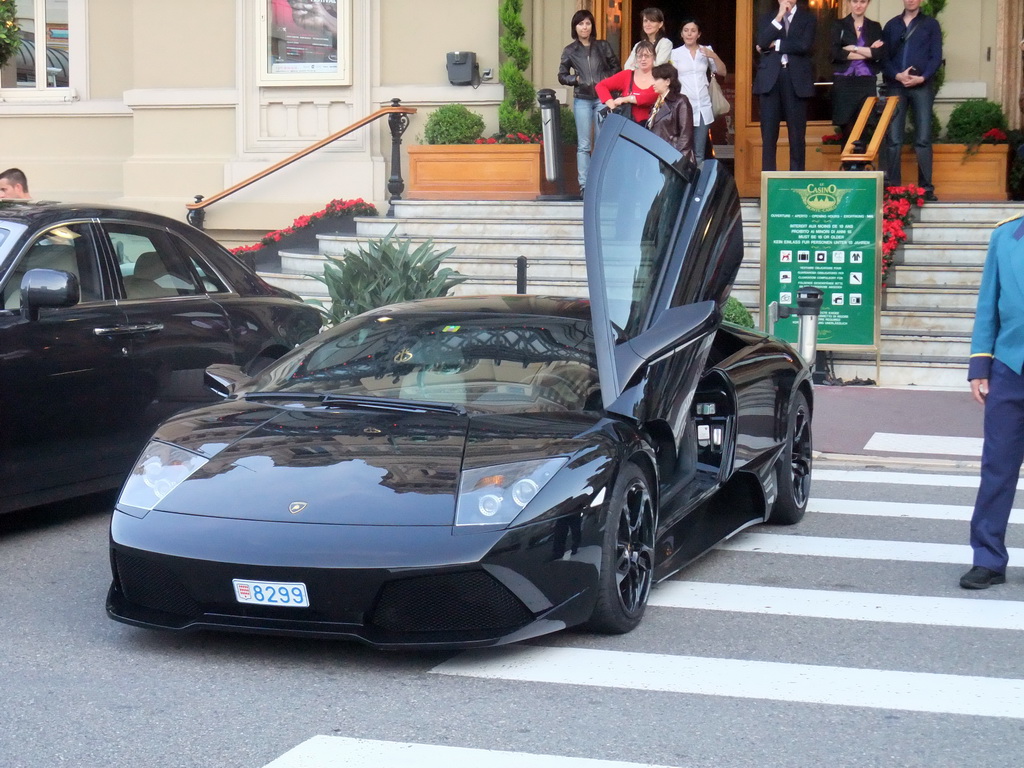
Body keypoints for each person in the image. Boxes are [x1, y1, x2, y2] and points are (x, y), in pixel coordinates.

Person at [961, 214, 1024, 589]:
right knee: (997, 468)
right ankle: (987, 559)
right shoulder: (1004, 236)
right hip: (1009, 367)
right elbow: (989, 301)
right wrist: (980, 363)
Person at [881, 0, 942, 201]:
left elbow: (936, 57)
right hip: (896, 86)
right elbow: (884, 58)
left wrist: (922, 77)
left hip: (922, 86)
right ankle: (892, 189)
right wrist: (897, 76)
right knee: (893, 139)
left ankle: (926, 189)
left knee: (923, 138)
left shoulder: (931, 24)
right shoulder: (892, 25)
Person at [558, 9, 621, 192]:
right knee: (584, 145)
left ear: (592, 26)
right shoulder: (570, 50)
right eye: (580, 24)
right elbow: (562, 75)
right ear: (575, 27)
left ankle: (602, 185)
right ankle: (585, 186)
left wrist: (604, 80)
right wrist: (575, 80)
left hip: (602, 99)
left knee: (602, 143)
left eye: (587, 23)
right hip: (582, 100)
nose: (584, 27)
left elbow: (616, 68)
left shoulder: (603, 46)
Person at [753, 0, 817, 172]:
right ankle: (768, 186)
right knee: (768, 136)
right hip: (770, 80)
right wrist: (780, 16)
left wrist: (778, 44)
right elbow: (762, 41)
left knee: (797, 136)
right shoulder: (767, 17)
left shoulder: (808, 18)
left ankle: (796, 183)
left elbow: (805, 45)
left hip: (795, 79)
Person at [670, 18, 728, 166]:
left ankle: (698, 188)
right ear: (681, 34)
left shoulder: (706, 50)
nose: (689, 34)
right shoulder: (675, 54)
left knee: (699, 153)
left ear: (699, 34)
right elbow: (670, 79)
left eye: (693, 31)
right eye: (686, 31)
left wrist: (713, 56)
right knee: (683, 150)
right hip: (684, 107)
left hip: (703, 106)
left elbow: (722, 71)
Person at [830, 0, 886, 149]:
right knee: (846, 129)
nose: (858, 5)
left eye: (862, 1)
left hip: (866, 82)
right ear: (849, 3)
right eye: (855, 1)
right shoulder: (839, 25)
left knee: (864, 127)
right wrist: (867, 51)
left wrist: (853, 48)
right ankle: (848, 168)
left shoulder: (874, 27)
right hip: (844, 82)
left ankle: (861, 167)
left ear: (868, 3)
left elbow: (878, 53)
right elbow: (835, 53)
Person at [596, 41, 659, 126]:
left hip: (652, 127)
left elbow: (651, 98)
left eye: (647, 56)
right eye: (639, 56)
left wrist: (626, 99)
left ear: (654, 57)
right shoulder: (627, 75)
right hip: (626, 126)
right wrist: (613, 107)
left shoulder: (659, 77)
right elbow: (600, 86)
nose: (643, 59)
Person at [647, 63, 695, 166]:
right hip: (659, 157)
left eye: (656, 79)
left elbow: (685, 135)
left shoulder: (681, 101)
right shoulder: (658, 102)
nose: (652, 83)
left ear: (667, 81)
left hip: (673, 160)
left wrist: (677, 161)